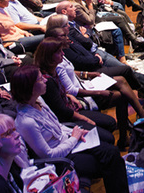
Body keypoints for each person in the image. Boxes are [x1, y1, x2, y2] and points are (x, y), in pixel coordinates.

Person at [12, 65, 130, 193]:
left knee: (111, 151)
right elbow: (48, 155)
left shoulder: (38, 100)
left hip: (70, 143)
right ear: (30, 87)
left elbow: (59, 126)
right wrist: (74, 137)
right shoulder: (26, 121)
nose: (45, 80)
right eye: (41, 79)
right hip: (61, 159)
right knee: (110, 159)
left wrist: (77, 133)